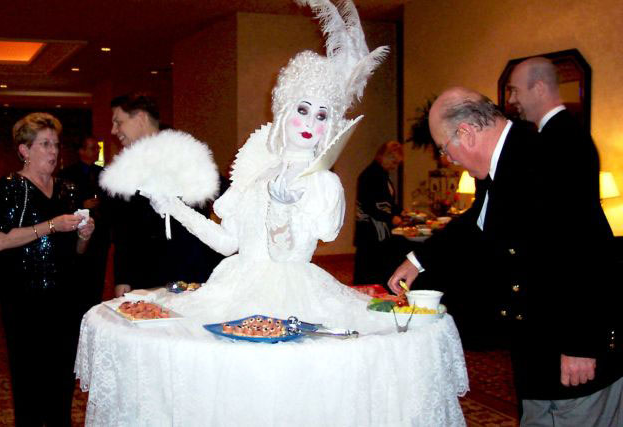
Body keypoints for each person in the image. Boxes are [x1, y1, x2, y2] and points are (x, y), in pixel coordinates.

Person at [143, 0, 390, 330]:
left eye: (321, 116)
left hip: (291, 297)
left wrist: (280, 211)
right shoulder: (258, 170)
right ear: (285, 110)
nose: (309, 122)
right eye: (303, 109)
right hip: (235, 286)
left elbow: (284, 257)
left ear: (328, 127)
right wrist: (174, 207)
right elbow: (226, 243)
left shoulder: (322, 184)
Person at [387, 87, 621, 426]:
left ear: (465, 133)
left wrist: (581, 345)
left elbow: (590, 250)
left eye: (444, 148)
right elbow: (475, 222)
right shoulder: (505, 160)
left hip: (576, 351)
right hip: (539, 348)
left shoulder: (550, 155)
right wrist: (418, 260)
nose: (448, 159)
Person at [0, 112, 95, 426]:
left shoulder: (68, 189)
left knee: (62, 383)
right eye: (45, 144)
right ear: (24, 150)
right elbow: (0, 241)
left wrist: (82, 236)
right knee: (30, 384)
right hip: (25, 300)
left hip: (65, 298)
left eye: (56, 144)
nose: (54, 151)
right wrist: (51, 225)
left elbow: (77, 252)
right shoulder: (11, 187)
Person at [109, 93, 221, 297]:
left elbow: (222, 193)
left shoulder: (185, 151)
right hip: (144, 277)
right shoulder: (124, 167)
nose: (114, 130)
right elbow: (124, 229)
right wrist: (122, 277)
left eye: (118, 122)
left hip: (189, 272)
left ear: (140, 118)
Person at [59, 135, 110, 309]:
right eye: (92, 148)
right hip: (77, 234)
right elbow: (61, 206)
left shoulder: (104, 173)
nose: (96, 151)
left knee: (98, 274)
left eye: (98, 148)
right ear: (81, 151)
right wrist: (82, 204)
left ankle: (94, 308)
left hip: (101, 233)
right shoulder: (66, 175)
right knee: (79, 274)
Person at [353, 140, 404, 287]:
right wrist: (391, 218)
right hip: (370, 232)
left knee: (378, 270)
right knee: (369, 274)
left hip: (378, 231)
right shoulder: (369, 175)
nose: (394, 167)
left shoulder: (382, 174)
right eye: (393, 162)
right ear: (385, 156)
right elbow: (369, 207)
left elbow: (387, 202)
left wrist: (400, 211)